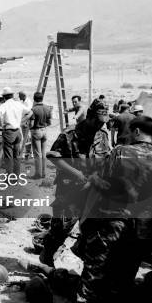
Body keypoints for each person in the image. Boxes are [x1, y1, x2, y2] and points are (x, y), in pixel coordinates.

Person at [74, 116, 152, 303]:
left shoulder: (122, 152)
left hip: (114, 221)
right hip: (144, 227)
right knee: (127, 270)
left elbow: (106, 185)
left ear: (136, 131)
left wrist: (93, 179)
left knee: (97, 268)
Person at [41, 99, 112, 267]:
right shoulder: (70, 133)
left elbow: (106, 159)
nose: (99, 125)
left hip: (93, 190)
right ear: (88, 116)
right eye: (97, 121)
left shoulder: (102, 135)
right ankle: (47, 256)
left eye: (103, 122)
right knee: (62, 227)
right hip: (70, 189)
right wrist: (77, 174)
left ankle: (83, 263)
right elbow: (52, 156)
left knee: (92, 229)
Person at [0, 87, 32, 175]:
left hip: (9, 132)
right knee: (17, 155)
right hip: (17, 132)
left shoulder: (4, 105)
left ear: (4, 97)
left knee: (8, 156)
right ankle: (16, 176)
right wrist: (22, 121)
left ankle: (10, 177)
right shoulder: (18, 104)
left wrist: (2, 125)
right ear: (12, 95)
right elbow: (30, 111)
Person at [30, 92, 52, 179]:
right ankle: (43, 173)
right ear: (42, 98)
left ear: (34, 99)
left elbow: (31, 124)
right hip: (44, 131)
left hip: (36, 131)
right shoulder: (47, 108)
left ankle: (38, 174)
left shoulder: (33, 110)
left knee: (37, 154)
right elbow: (50, 122)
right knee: (43, 154)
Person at [18, 91, 33, 158]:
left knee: (27, 138)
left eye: (20, 96)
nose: (19, 97)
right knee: (25, 138)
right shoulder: (23, 101)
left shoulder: (28, 102)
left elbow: (28, 111)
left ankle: (29, 152)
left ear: (23, 96)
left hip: (26, 122)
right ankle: (28, 152)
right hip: (23, 121)